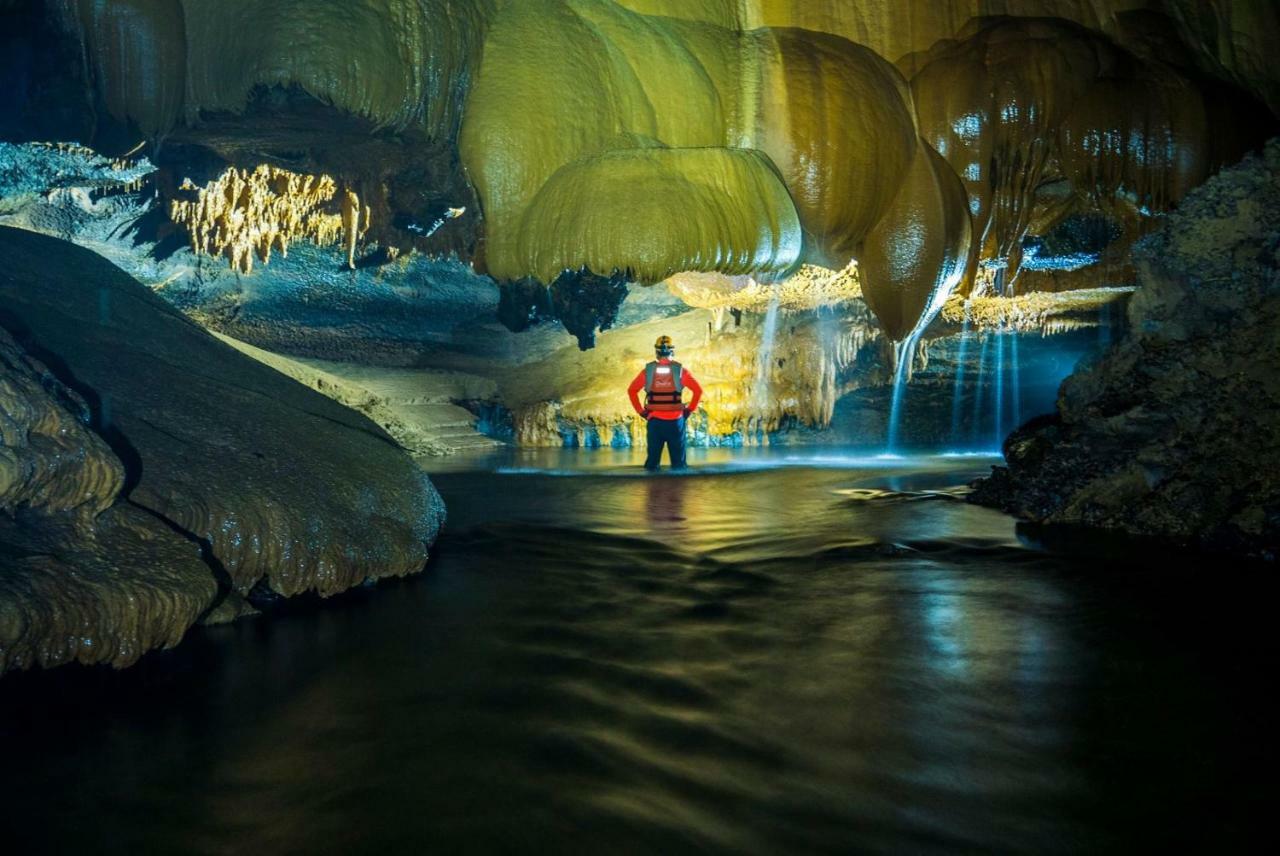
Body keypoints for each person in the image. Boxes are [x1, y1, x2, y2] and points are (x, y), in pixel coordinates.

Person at [628, 334, 703, 471]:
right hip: (676, 421)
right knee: (679, 465)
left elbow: (631, 391)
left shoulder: (648, 371)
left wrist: (642, 412)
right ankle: (678, 488)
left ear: (656, 352)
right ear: (672, 351)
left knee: (652, 464)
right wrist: (688, 411)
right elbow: (698, 391)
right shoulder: (681, 372)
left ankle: (653, 489)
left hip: (655, 421)